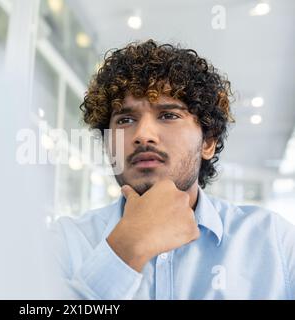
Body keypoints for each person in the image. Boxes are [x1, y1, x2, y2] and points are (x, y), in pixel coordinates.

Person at [51, 39, 295, 299]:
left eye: (168, 115)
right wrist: (125, 249)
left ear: (208, 142)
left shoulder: (274, 241)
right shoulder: (64, 242)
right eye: (125, 119)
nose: (143, 135)